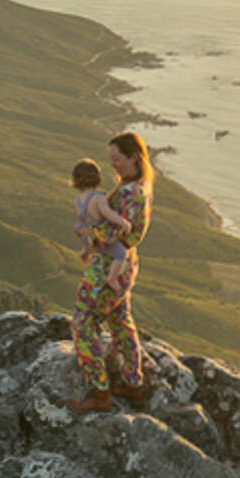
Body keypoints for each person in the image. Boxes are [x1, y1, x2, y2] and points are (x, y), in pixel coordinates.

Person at [67, 132, 155, 414]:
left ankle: (100, 394)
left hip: (108, 267)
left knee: (83, 323)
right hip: (125, 265)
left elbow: (115, 233)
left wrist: (85, 232)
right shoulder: (139, 186)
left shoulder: (129, 193)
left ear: (134, 157)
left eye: (117, 159)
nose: (113, 165)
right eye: (111, 160)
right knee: (119, 321)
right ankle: (133, 383)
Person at [69, 158, 132, 291]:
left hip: (87, 236)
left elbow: (83, 219)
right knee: (121, 254)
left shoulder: (78, 200)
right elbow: (108, 213)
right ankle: (112, 279)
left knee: (91, 242)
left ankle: (85, 251)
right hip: (101, 236)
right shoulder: (98, 198)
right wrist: (122, 222)